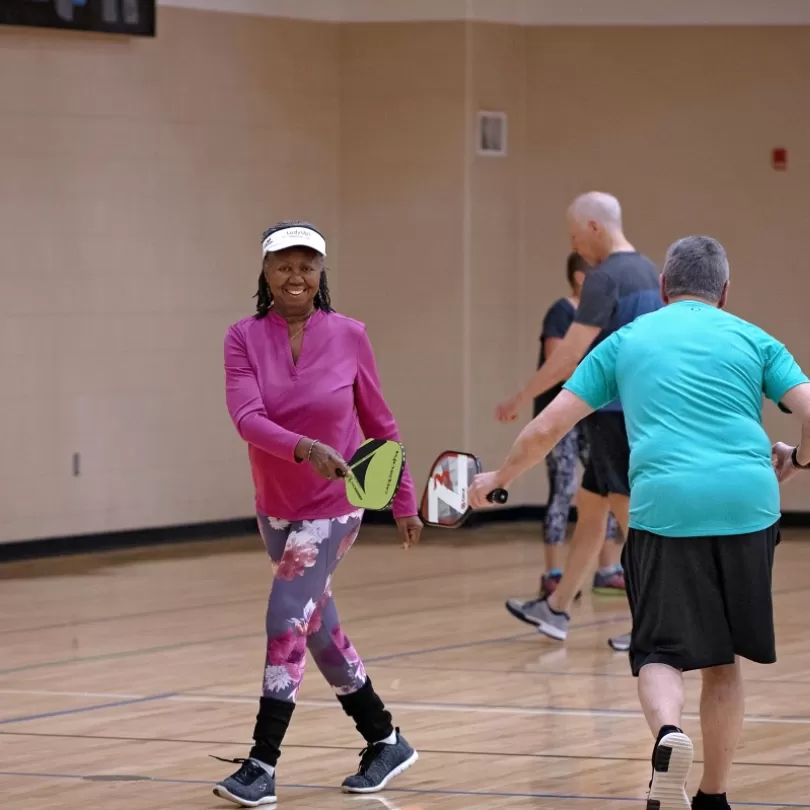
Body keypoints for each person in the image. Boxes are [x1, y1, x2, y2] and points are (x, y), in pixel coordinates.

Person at [471, 235, 810, 810]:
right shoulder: (755, 338)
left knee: (658, 652)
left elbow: (547, 428)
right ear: (724, 292)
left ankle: (668, 734)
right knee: (722, 661)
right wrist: (799, 460)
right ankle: (714, 796)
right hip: (748, 504)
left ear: (662, 289)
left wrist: (497, 478)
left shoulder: (626, 340)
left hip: (667, 508)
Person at [214, 220, 422, 807]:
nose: (295, 275)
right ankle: (385, 739)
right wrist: (305, 448)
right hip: (275, 507)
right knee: (318, 629)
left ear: (321, 271)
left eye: (307, 264)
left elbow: (381, 426)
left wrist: (402, 499)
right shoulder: (241, 338)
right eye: (283, 264)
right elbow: (246, 417)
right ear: (266, 272)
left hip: (336, 505)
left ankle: (262, 762)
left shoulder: (351, 335)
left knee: (285, 616)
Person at [496, 192, 661, 647]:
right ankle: (557, 608)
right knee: (591, 512)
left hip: (614, 416)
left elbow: (569, 357)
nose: (574, 245)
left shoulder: (604, 277)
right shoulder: (649, 271)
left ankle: (656, 627)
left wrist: (521, 396)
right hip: (638, 413)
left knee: (636, 526)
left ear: (594, 227)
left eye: (574, 234)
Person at [506, 253, 623, 632]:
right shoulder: (562, 311)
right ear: (578, 276)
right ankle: (552, 574)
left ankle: (607, 570)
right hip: (562, 414)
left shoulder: (602, 313)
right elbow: (561, 363)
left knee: (602, 493)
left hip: (594, 413)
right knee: (564, 490)